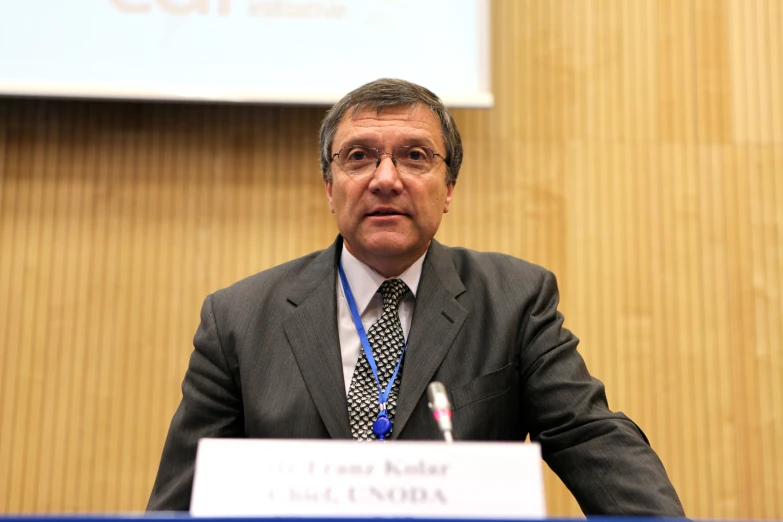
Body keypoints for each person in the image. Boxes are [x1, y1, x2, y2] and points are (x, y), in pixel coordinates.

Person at [147, 78, 684, 516]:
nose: (386, 178)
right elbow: (180, 500)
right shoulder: (238, 320)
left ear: (448, 188)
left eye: (415, 156)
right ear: (328, 187)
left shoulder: (514, 301)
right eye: (359, 157)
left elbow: (590, 436)